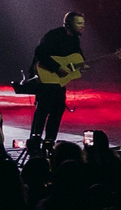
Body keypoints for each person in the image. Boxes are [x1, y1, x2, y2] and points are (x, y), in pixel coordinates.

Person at [29, 12, 90, 146]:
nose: (82, 26)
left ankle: (50, 141)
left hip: (58, 81)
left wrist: (83, 65)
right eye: (79, 23)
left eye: (83, 24)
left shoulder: (74, 39)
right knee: (43, 109)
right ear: (69, 24)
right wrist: (57, 67)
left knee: (58, 108)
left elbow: (78, 55)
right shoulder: (54, 35)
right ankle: (34, 141)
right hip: (44, 77)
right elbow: (39, 52)